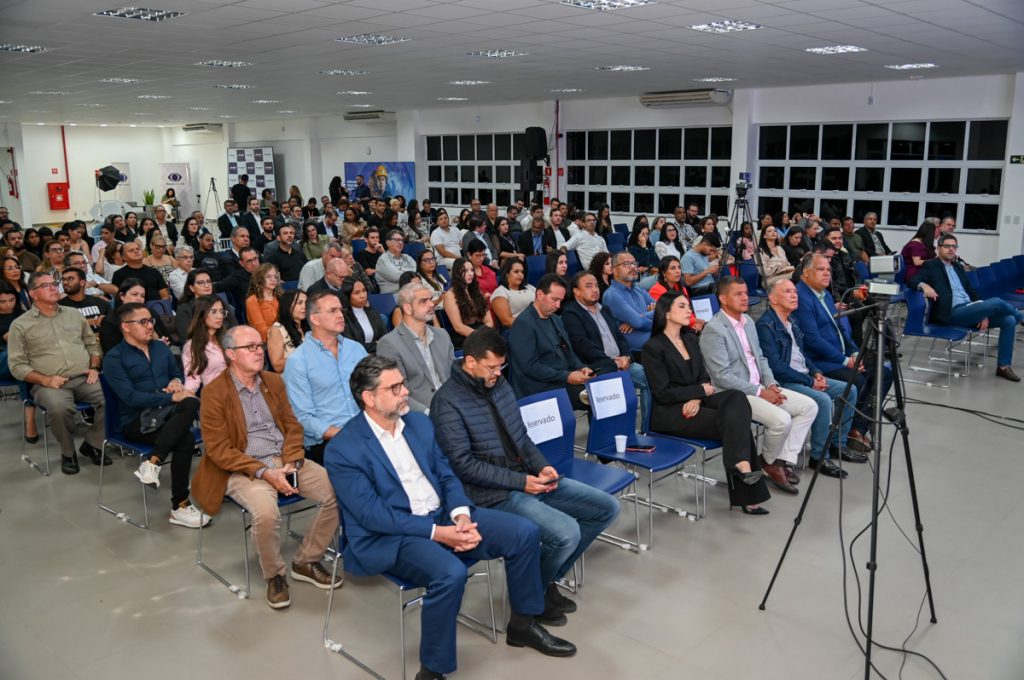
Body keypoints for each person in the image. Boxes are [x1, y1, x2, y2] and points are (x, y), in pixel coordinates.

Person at [326, 354, 576, 679]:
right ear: (369, 398)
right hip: (393, 535)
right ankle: (432, 671)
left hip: (443, 515)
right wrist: (438, 533)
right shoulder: (344, 449)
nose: (406, 392)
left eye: (403, 384)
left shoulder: (418, 424)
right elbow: (373, 516)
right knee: (450, 573)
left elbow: (446, 475)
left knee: (524, 532)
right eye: (395, 388)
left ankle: (523, 624)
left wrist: (459, 515)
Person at [432, 327, 619, 612]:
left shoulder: (499, 385)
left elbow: (521, 437)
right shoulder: (447, 403)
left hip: (526, 479)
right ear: (470, 362)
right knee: (567, 533)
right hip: (489, 494)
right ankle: (532, 598)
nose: (498, 373)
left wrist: (542, 466)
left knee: (607, 508)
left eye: (501, 366)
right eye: (492, 367)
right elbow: (464, 466)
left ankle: (541, 583)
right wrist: (521, 482)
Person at [192, 324, 341, 609]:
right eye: (250, 347)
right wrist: (265, 472)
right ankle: (275, 575)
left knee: (337, 491)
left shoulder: (273, 381)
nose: (259, 351)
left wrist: (291, 460)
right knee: (266, 513)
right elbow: (219, 449)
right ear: (231, 354)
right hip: (244, 468)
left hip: (285, 459)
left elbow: (293, 426)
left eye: (260, 346)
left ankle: (306, 560)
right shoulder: (214, 392)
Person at [642, 292, 770, 513]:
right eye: (682, 306)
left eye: (689, 306)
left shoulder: (691, 339)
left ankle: (740, 464)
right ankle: (745, 482)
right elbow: (663, 393)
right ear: (666, 313)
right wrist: (699, 391)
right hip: (671, 413)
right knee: (735, 421)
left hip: (696, 401)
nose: (689, 310)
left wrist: (697, 397)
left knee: (736, 398)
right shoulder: (653, 347)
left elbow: (703, 377)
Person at [699, 277, 818, 495]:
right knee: (782, 420)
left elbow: (760, 358)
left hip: (761, 386)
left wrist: (771, 384)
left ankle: (776, 460)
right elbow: (721, 376)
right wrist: (760, 392)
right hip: (735, 394)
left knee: (809, 406)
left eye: (746, 293)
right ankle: (771, 463)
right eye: (738, 294)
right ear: (723, 299)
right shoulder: (714, 329)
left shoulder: (748, 321)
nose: (745, 298)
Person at [103, 302, 208, 527]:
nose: (150, 326)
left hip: (166, 415)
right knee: (185, 438)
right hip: (136, 421)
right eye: (143, 322)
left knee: (190, 401)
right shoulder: (114, 358)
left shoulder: (160, 348)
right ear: (126, 326)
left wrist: (176, 382)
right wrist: (171, 398)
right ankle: (179, 505)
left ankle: (153, 462)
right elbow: (130, 398)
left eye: (150, 320)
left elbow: (176, 374)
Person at [756, 279, 863, 479]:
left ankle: (837, 445)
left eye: (795, 292)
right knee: (822, 400)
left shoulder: (792, 321)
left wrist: (815, 372)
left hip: (804, 376)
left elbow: (802, 354)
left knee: (849, 389)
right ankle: (819, 457)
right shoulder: (765, 325)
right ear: (773, 298)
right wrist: (810, 381)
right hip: (784, 381)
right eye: (787, 292)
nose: (794, 295)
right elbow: (776, 367)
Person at [7, 272, 108, 474]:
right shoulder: (20, 325)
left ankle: (93, 443)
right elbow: (17, 365)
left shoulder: (74, 315)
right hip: (48, 384)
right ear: (33, 293)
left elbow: (92, 345)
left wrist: (95, 367)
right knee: (59, 408)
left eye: (54, 283)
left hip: (84, 377)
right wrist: (45, 379)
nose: (54, 287)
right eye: (46, 285)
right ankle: (68, 453)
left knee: (112, 397)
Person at [793, 253, 893, 449]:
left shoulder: (825, 294)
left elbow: (839, 330)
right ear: (805, 273)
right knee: (858, 379)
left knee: (884, 373)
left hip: (839, 355)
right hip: (818, 361)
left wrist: (854, 353)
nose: (827, 274)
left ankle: (857, 428)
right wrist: (845, 361)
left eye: (828, 270)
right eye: (820, 269)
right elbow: (812, 340)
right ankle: (844, 434)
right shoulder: (801, 297)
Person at [912, 233, 1023, 382]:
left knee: (1009, 320)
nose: (951, 249)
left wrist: (983, 313)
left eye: (954, 246)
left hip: (969, 309)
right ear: (939, 248)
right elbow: (913, 280)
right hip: (952, 313)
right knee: (996, 302)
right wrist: (924, 285)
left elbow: (971, 292)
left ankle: (1003, 367)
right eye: (947, 246)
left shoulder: (958, 267)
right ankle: (1021, 317)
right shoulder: (931, 265)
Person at [283, 289, 368, 464]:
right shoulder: (298, 361)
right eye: (332, 311)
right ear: (314, 319)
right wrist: (346, 434)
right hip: (329, 441)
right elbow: (303, 418)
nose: (340, 315)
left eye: (340, 310)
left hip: (366, 431)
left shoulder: (356, 349)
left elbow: (375, 391)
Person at [562, 271, 651, 426]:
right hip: (598, 367)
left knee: (649, 378)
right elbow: (582, 345)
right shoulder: (571, 314)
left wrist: (627, 357)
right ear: (576, 291)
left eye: (596, 285)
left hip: (622, 363)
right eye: (588, 286)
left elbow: (621, 338)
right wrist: (611, 362)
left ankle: (646, 428)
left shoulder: (604, 309)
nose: (595, 289)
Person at [508, 274, 596, 410]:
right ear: (540, 295)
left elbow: (568, 352)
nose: (558, 305)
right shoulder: (523, 324)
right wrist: (567, 376)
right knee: (594, 397)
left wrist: (581, 367)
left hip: (560, 380)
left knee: (600, 390)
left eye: (560, 301)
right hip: (540, 387)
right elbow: (530, 367)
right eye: (554, 299)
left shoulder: (555, 319)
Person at [377, 282, 455, 414]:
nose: (431, 304)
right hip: (421, 413)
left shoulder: (442, 335)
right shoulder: (389, 344)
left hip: (452, 405)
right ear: (408, 308)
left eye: (430, 299)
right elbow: (396, 391)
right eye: (423, 301)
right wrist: (427, 413)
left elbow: (455, 375)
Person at [602, 251, 656, 355]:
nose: (633, 267)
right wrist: (648, 317)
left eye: (634, 263)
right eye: (626, 264)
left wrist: (640, 317)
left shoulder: (638, 288)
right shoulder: (612, 295)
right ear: (614, 270)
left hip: (653, 341)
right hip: (636, 352)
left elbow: (662, 310)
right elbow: (639, 323)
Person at [99, 279, 173, 353]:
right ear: (122, 296)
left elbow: (168, 339)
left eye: (142, 296)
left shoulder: (150, 313)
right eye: (134, 294)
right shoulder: (109, 321)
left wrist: (162, 341)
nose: (139, 299)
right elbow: (111, 352)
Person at [442, 257, 493, 349]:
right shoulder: (449, 295)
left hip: (481, 331)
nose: (470, 274)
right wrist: (481, 336)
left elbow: (489, 320)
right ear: (457, 273)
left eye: (472, 270)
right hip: (464, 335)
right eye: (465, 271)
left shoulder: (477, 291)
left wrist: (485, 333)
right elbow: (458, 327)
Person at [182, 295, 229, 391]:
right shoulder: (192, 345)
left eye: (221, 311)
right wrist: (186, 395)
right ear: (201, 315)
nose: (220, 316)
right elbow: (192, 379)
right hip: (216, 394)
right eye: (214, 312)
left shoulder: (228, 338)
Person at [340, 277, 388, 353]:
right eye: (357, 293)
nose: (363, 295)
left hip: (377, 355)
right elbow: (352, 346)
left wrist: (374, 345)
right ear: (347, 295)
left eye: (364, 290)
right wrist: (376, 344)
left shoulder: (373, 313)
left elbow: (385, 339)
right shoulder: (343, 317)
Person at [267, 289, 307, 373]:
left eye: (306, 303)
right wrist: (305, 356)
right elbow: (277, 366)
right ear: (288, 305)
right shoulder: (277, 329)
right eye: (299, 303)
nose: (304, 306)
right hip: (292, 376)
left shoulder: (309, 325)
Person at [490, 258, 535, 329]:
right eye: (516, 272)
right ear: (507, 274)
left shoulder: (529, 287)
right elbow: (507, 321)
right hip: (517, 329)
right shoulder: (500, 292)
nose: (520, 274)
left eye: (522, 272)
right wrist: (533, 324)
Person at [245, 264, 282, 343]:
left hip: (286, 336)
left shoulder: (280, 296)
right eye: (268, 276)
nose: (273, 279)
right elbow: (261, 329)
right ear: (259, 279)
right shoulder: (252, 301)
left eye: (275, 276)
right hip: (267, 341)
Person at [376, 229, 417, 294]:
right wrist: (409, 271)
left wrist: (400, 270)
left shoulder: (407, 257)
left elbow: (417, 273)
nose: (400, 243)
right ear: (388, 243)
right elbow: (397, 276)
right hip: (392, 297)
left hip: (411, 293)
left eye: (402, 240)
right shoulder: (383, 259)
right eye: (397, 240)